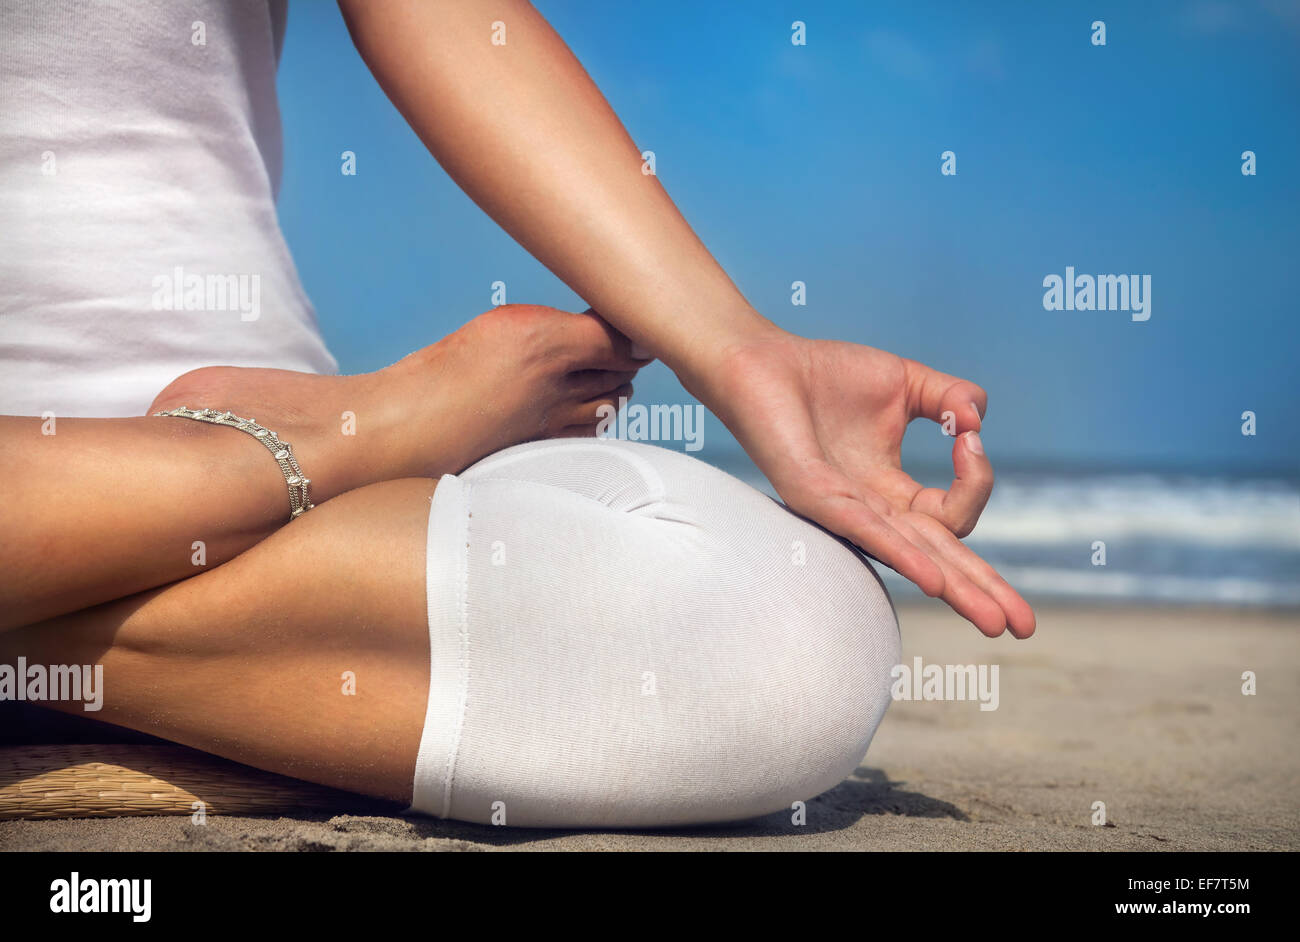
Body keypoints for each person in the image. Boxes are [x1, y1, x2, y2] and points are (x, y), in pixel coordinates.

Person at [0, 0, 1034, 828]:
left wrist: (734, 345)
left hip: (278, 507)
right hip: (277, 452)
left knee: (785, 636)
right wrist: (380, 428)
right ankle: (315, 440)